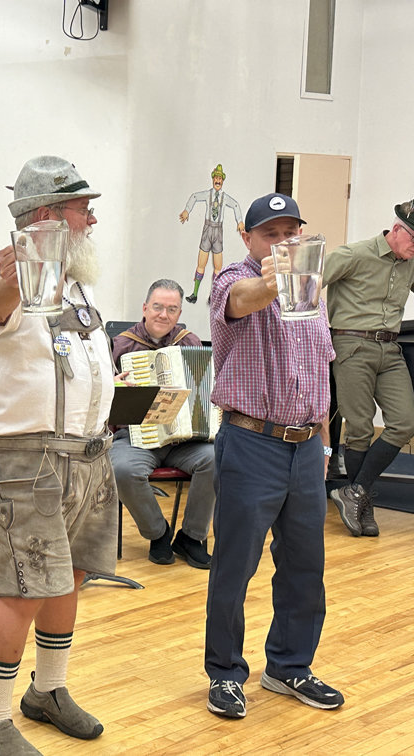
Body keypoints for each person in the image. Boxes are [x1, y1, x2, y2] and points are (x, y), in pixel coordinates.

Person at [0, 155, 116, 756]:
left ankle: (47, 691)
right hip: (26, 463)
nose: (92, 218)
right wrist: (17, 276)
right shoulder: (9, 277)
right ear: (47, 215)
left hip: (86, 454)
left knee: (69, 577)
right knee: (24, 590)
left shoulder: (76, 280)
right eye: (82, 208)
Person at [205, 192, 343, 720]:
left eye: (291, 233)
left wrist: (324, 443)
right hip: (251, 443)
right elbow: (242, 299)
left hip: (306, 446)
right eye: (271, 234)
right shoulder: (233, 280)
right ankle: (224, 673)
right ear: (247, 237)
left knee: (306, 566)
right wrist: (276, 279)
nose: (284, 242)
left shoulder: (313, 290)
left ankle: (289, 666)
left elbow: (320, 368)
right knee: (235, 565)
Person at [323, 199, 414, 537]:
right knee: (360, 428)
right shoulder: (354, 255)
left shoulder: (410, 262)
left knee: (405, 422)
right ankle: (362, 501)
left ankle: (355, 492)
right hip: (352, 344)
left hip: (390, 349)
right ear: (397, 230)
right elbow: (307, 285)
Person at [110, 279, 215, 568]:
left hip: (184, 440)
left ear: (179, 313)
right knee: (122, 469)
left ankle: (190, 537)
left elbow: (204, 393)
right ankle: (158, 533)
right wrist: (112, 385)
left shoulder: (190, 343)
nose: (163, 315)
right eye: (157, 307)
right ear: (145, 308)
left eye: (171, 309)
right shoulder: (121, 345)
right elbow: (101, 400)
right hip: (136, 438)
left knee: (218, 458)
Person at [179, 164, 245, 304]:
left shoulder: (224, 198)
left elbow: (235, 205)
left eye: (220, 178)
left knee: (218, 266)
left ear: (223, 181)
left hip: (218, 231)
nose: (218, 181)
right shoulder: (208, 194)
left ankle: (213, 295)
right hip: (207, 229)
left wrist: (239, 221)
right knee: (201, 263)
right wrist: (187, 210)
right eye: (216, 178)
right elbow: (194, 196)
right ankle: (195, 293)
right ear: (213, 179)